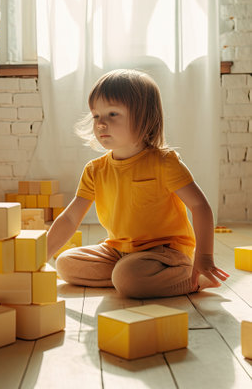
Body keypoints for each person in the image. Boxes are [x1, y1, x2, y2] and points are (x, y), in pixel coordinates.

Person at [47, 69, 229, 298]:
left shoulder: (163, 162)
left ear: (143, 118)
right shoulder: (95, 170)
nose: (101, 124)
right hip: (117, 250)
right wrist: (40, 255)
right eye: (96, 115)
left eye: (112, 114)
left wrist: (204, 257)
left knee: (128, 278)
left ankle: (194, 279)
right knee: (65, 263)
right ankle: (131, 278)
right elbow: (71, 217)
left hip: (164, 253)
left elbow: (200, 206)